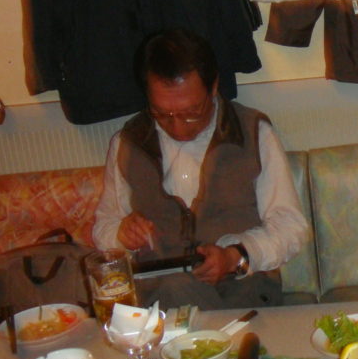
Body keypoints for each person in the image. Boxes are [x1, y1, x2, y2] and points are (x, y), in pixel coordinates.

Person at [92, 28, 310, 310]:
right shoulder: (127, 142)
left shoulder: (253, 132)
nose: (178, 127)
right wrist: (121, 233)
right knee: (174, 289)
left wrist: (236, 255)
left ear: (214, 86)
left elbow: (290, 227)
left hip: (240, 295)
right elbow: (105, 226)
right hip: (160, 296)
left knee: (181, 294)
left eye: (191, 112)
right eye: (162, 114)